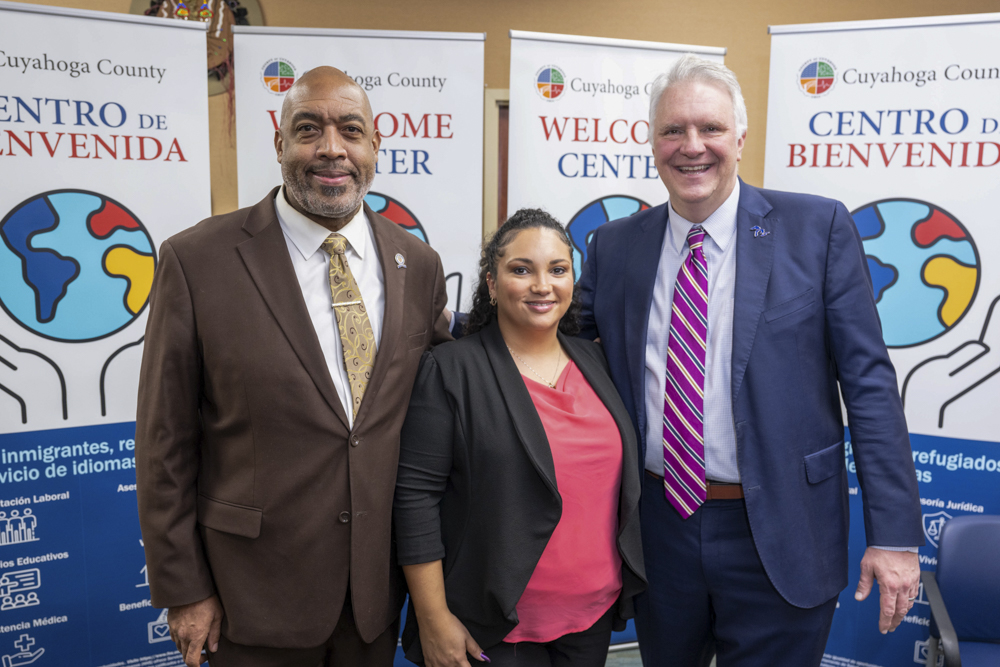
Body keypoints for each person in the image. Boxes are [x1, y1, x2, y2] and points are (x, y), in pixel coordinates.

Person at [577, 54, 925, 666]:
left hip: (782, 531)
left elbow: (869, 386)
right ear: (651, 141)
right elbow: (555, 351)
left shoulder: (817, 229)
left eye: (710, 129)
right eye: (672, 130)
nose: (692, 147)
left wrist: (893, 535)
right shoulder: (614, 246)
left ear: (740, 136)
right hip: (659, 528)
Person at [135, 66, 453, 667]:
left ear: (375, 147)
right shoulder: (198, 260)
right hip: (247, 597)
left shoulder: (419, 263)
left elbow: (430, 426)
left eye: (350, 131)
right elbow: (163, 441)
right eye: (308, 129)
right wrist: (185, 589)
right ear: (280, 144)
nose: (331, 149)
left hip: (374, 596)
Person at [393, 209, 646, 667]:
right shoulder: (451, 370)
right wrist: (433, 618)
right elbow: (415, 499)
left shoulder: (597, 363)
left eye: (558, 269)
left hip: (590, 620)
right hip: (491, 628)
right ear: (491, 283)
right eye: (521, 269)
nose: (542, 285)